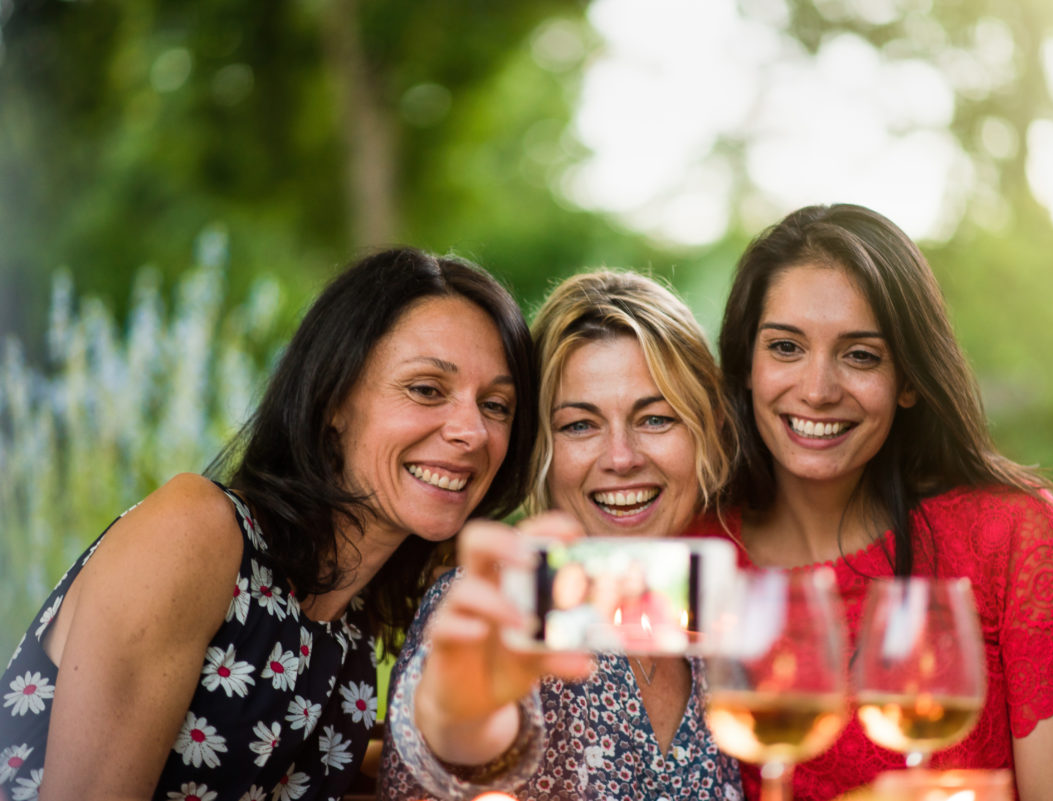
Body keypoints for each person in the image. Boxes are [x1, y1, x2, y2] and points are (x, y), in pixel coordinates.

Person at [0, 247, 537, 801]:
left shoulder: (347, 628)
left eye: (496, 405)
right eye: (426, 389)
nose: (472, 431)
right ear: (332, 398)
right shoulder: (196, 532)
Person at [709, 203, 1053, 801]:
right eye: (785, 348)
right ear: (746, 365)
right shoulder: (699, 553)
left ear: (909, 381)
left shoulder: (1009, 534)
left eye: (861, 355)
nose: (819, 390)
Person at [377, 270, 744, 801]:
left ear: (706, 433)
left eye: (657, 419)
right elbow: (463, 731)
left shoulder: (706, 625)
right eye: (579, 425)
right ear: (538, 452)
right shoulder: (497, 608)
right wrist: (459, 711)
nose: (621, 458)